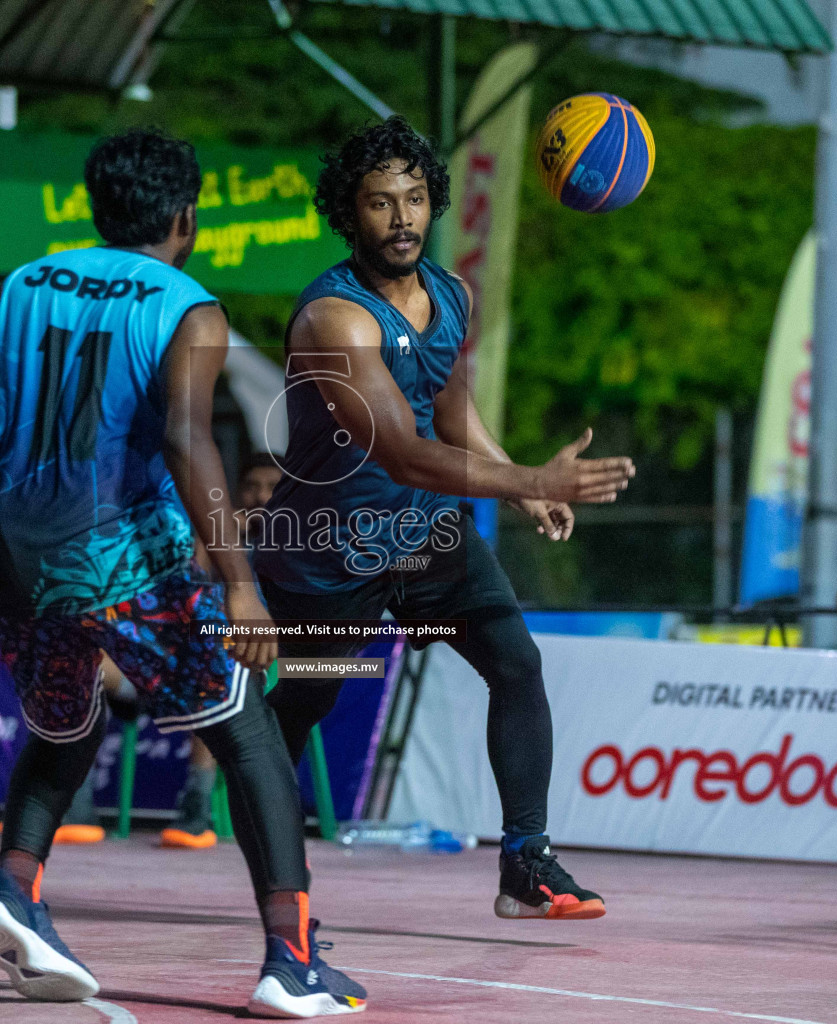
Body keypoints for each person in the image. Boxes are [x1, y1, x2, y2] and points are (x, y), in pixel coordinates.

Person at [0, 128, 366, 1017]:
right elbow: (186, 437)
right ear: (186, 218)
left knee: (64, 723)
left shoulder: (22, 285)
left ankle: (14, 891)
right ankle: (293, 961)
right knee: (246, 729)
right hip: (120, 554)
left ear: (95, 207)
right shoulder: (189, 306)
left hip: (7, 553)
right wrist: (238, 581)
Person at [251, 117, 634, 922]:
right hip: (332, 545)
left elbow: (448, 409)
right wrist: (527, 475)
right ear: (349, 216)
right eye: (381, 203)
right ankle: (273, 867)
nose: (403, 219)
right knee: (310, 699)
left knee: (516, 665)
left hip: (425, 532)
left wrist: (523, 487)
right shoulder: (334, 319)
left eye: (416, 199)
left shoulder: (453, 295)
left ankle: (526, 865)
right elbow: (398, 451)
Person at [161, 452, 283, 850]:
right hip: (194, 651)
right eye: (251, 486)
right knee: (91, 662)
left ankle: (196, 805)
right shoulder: (223, 534)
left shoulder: (309, 538)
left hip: (288, 661)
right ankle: (69, 807)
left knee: (218, 670)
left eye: (272, 488)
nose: (260, 497)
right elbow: (186, 581)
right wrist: (220, 532)